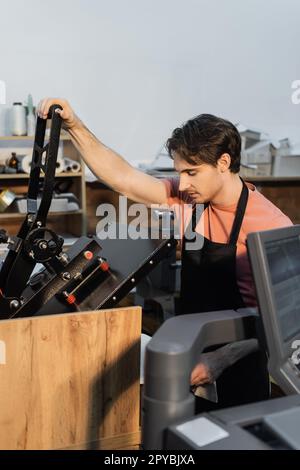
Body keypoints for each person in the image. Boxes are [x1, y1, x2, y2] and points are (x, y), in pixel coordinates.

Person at [37, 99, 292, 410]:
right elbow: (123, 178)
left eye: (192, 172)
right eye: (179, 172)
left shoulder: (271, 225)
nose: (183, 183)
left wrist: (220, 359)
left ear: (223, 162)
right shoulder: (190, 199)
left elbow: (283, 323)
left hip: (240, 359)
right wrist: (74, 126)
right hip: (191, 348)